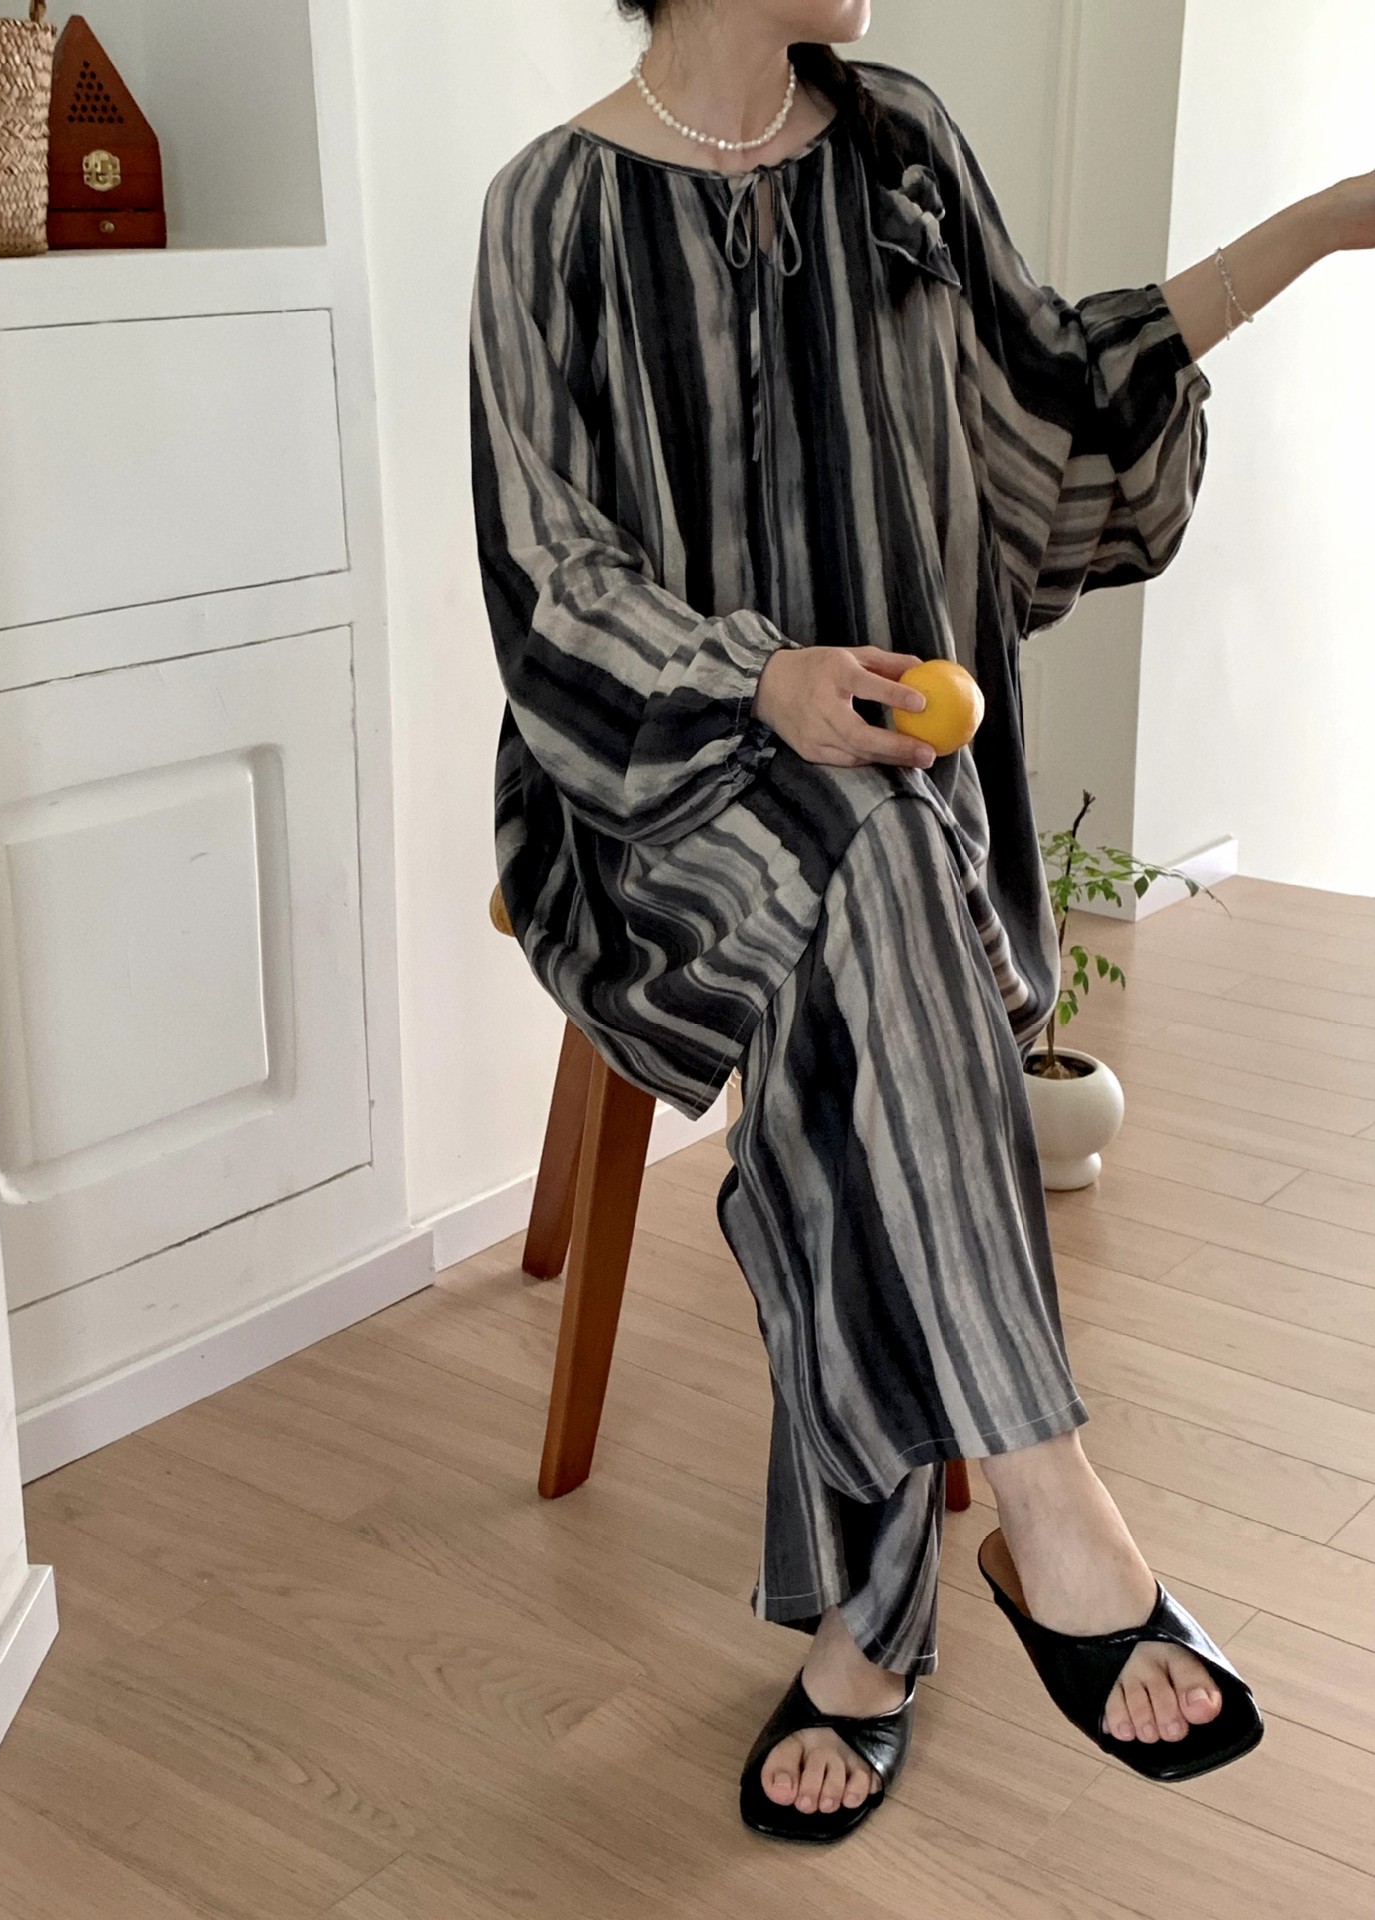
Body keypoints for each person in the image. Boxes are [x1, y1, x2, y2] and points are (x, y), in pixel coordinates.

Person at [468, 0, 1374, 1842]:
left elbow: (1063, 399)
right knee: (870, 872)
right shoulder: (547, 208)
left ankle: (873, 1631)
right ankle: (1052, 1511)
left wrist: (1335, 221)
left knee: (870, 876)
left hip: (892, 796)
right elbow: (548, 581)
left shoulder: (900, 149)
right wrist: (763, 682)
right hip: (649, 797)